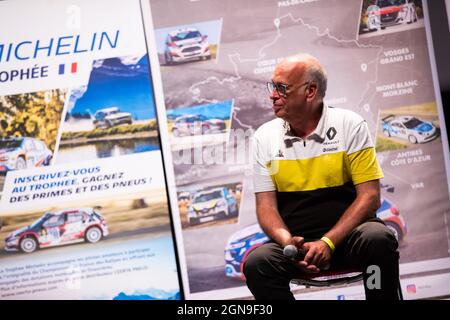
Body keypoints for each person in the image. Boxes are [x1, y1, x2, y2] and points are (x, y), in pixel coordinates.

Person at [244, 53, 400, 300]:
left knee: (378, 239)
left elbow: (370, 197)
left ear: (310, 91)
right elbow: (266, 208)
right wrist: (289, 245)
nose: (272, 95)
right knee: (257, 264)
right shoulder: (264, 137)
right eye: (272, 87)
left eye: (282, 88)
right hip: (297, 250)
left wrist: (328, 243)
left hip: (350, 240)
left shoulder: (350, 125)